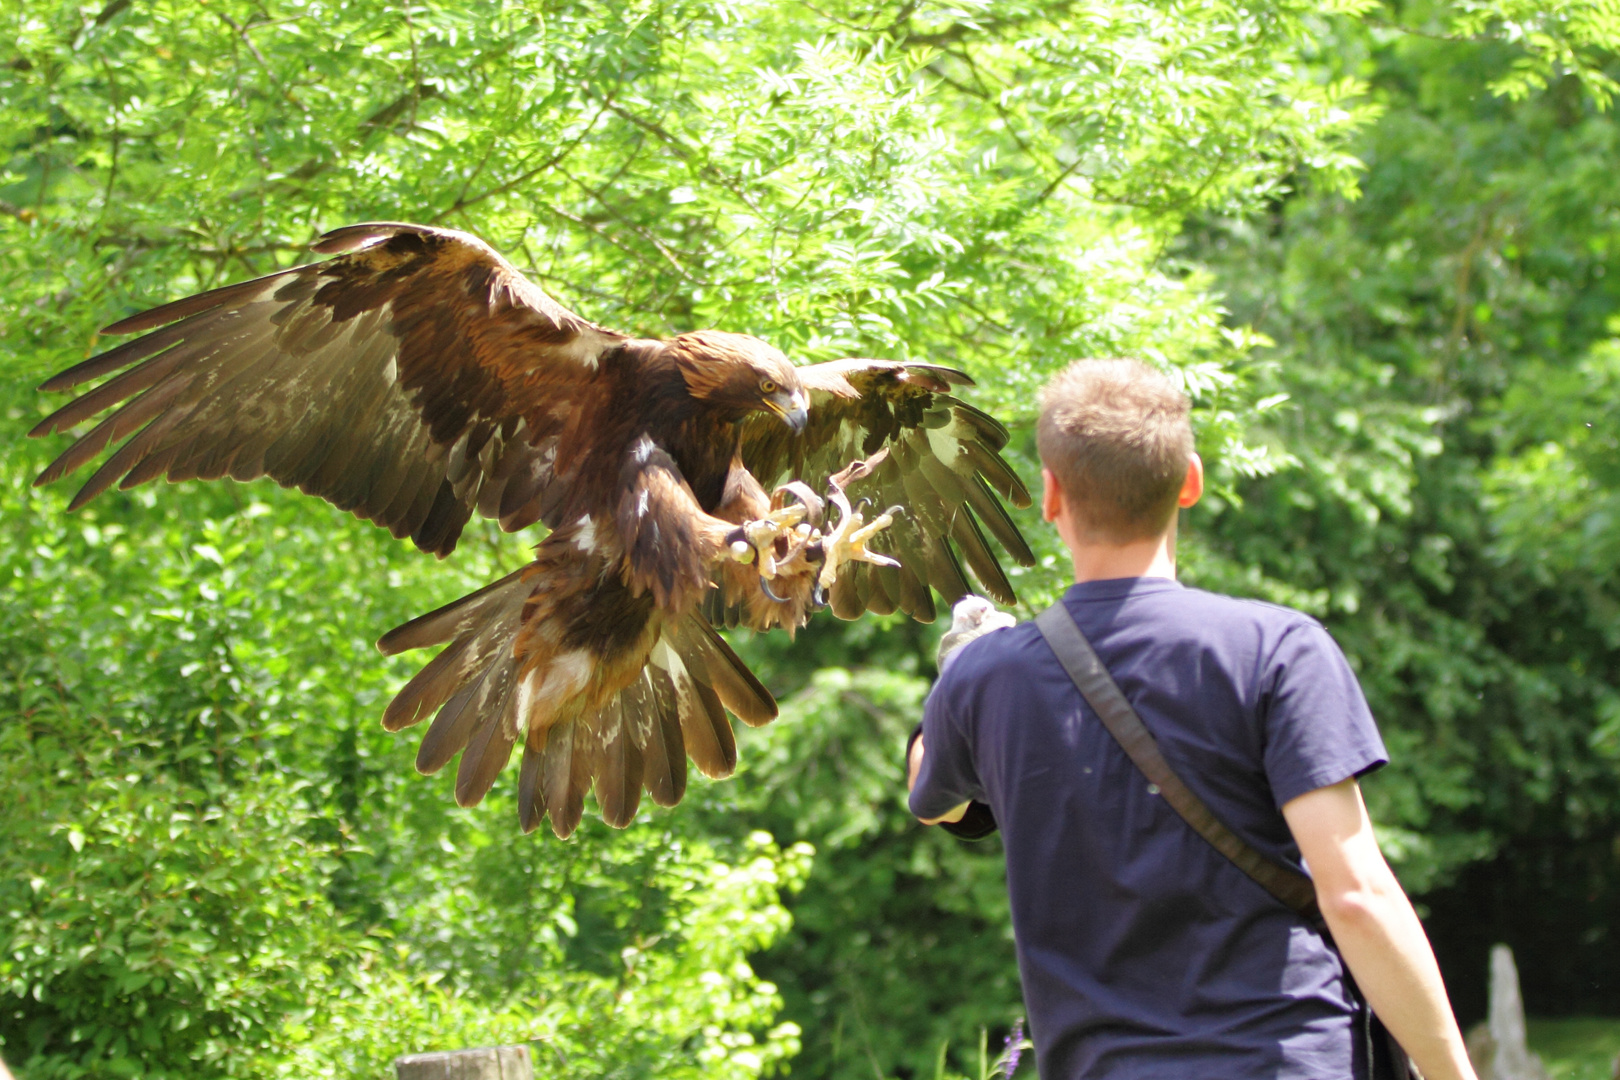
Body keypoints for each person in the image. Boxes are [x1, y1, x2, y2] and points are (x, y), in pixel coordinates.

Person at [906, 359, 1477, 1080]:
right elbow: (1355, 893)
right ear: (1191, 482)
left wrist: (960, 671)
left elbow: (937, 796)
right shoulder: (1278, 651)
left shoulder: (991, 676)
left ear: (1050, 495)